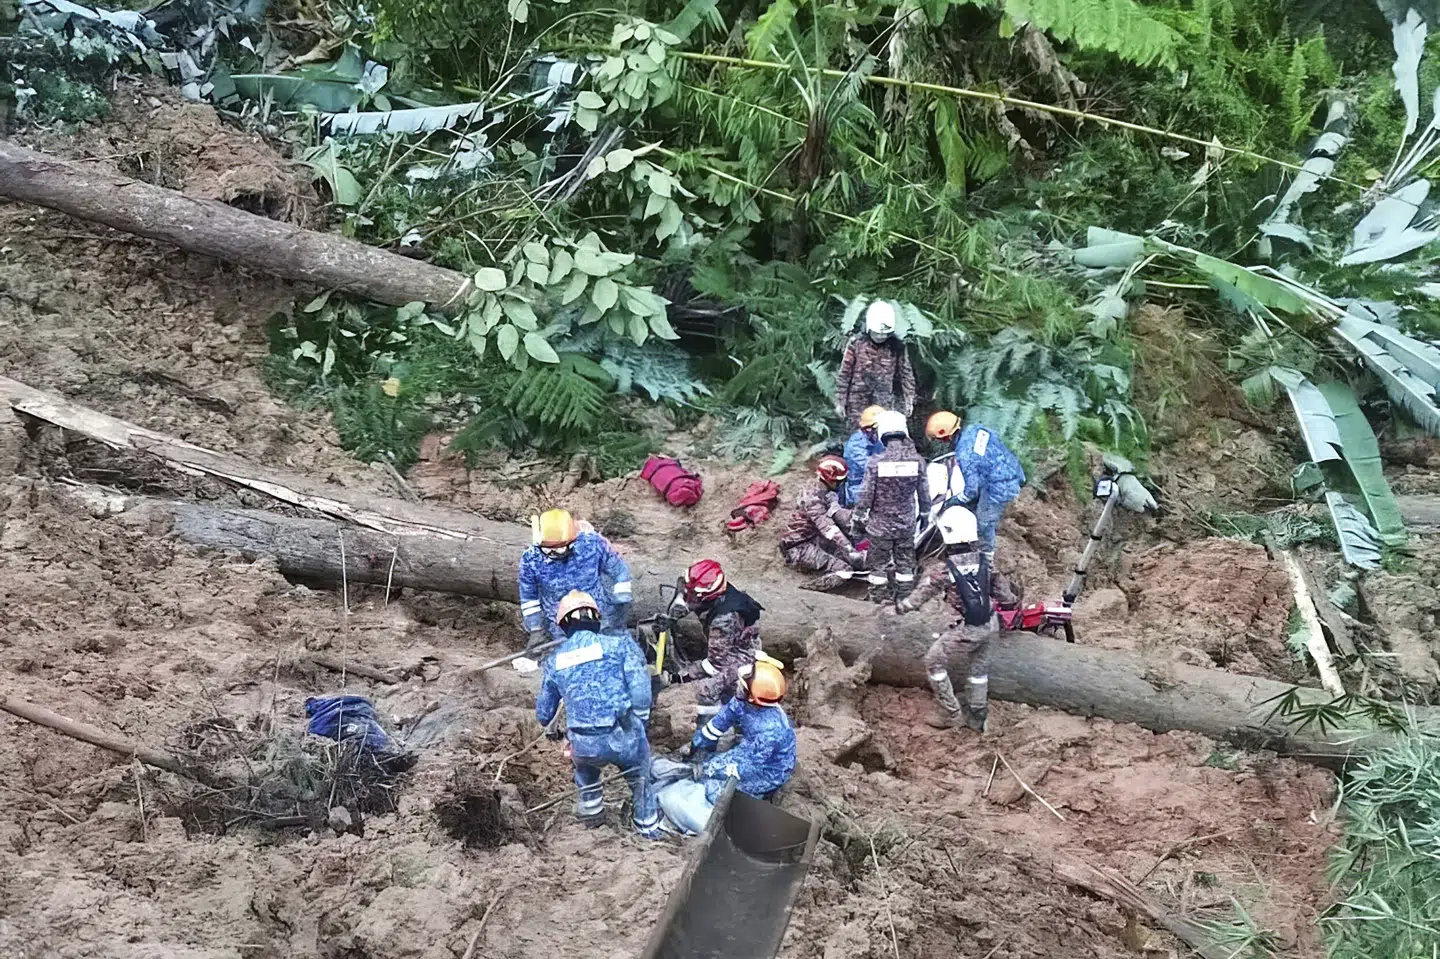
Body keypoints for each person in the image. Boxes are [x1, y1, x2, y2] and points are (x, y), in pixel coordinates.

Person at [535, 590, 662, 836]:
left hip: (583, 743)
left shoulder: (555, 660)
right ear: (596, 618)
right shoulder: (619, 646)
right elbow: (641, 690)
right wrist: (641, 721)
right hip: (622, 735)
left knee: (586, 775)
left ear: (563, 625)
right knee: (640, 778)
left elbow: (544, 713)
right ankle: (648, 828)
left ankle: (593, 822)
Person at [890, 506, 1015, 732]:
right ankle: (977, 715)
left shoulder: (943, 570)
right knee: (979, 670)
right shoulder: (987, 562)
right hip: (991, 624)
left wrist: (899, 608)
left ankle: (951, 713)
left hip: (968, 630)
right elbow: (1006, 598)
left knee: (934, 662)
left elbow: (919, 597)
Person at [654, 657, 797, 833]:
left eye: (742, 685)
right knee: (708, 770)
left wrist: (710, 769)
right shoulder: (743, 701)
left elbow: (745, 765)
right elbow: (721, 721)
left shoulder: (771, 730)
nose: (738, 685)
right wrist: (697, 745)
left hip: (767, 772)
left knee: (714, 790)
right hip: (750, 753)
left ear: (753, 697)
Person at [518, 508, 633, 648]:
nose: (553, 553)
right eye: (547, 549)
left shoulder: (592, 545)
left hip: (599, 617)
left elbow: (617, 568)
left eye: (559, 548)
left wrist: (622, 596)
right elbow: (529, 598)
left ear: (572, 541)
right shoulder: (531, 559)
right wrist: (535, 628)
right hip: (560, 625)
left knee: (610, 650)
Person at [925, 411, 1024, 561]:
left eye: (939, 440)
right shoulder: (976, 429)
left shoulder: (965, 454)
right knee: (974, 507)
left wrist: (951, 502)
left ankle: (987, 558)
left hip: (998, 487)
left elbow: (971, 491)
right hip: (1013, 471)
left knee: (984, 522)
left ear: (946, 437)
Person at [853, 410, 929, 603]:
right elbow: (924, 494)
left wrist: (858, 518)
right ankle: (904, 598)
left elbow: (866, 495)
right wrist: (925, 514)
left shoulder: (875, 463)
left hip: (880, 526)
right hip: (906, 524)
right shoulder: (918, 461)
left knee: (878, 565)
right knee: (905, 564)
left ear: (882, 433)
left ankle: (878, 600)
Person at [669, 559, 763, 713]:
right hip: (736, 641)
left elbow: (715, 664)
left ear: (706, 597)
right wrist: (680, 604)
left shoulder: (723, 621)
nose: (688, 597)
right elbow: (685, 585)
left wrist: (685, 675)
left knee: (700, 691)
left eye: (693, 596)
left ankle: (721, 709)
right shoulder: (719, 591)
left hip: (740, 660)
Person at [779, 454, 866, 590]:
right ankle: (807, 590)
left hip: (816, 539)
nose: (842, 483)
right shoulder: (811, 498)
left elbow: (838, 513)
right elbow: (827, 527)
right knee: (844, 570)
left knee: (851, 556)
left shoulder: (826, 492)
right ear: (829, 478)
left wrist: (862, 521)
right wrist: (849, 549)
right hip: (798, 547)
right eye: (839, 480)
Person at [835, 301, 916, 427]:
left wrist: (909, 399)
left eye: (884, 334)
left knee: (882, 431)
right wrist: (840, 402)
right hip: (857, 402)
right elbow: (845, 374)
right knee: (859, 432)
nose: (880, 336)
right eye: (877, 333)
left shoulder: (897, 347)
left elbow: (906, 374)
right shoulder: (856, 343)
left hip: (883, 401)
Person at [842, 405, 887, 506]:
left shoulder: (877, 441)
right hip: (859, 492)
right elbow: (869, 467)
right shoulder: (855, 445)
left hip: (877, 488)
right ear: (869, 429)